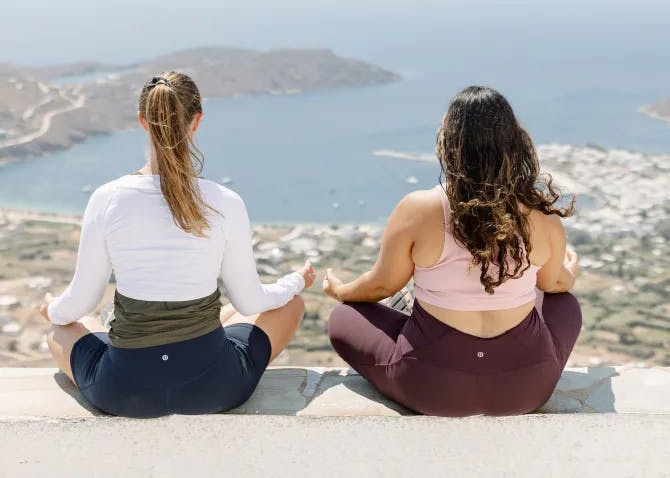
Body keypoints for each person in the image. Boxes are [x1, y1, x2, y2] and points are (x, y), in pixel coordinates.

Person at [41, 72, 315, 418]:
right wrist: (296, 281)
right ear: (197, 121)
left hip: (122, 392)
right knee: (288, 305)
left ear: (142, 121)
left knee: (64, 325)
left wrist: (51, 309)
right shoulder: (224, 201)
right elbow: (252, 301)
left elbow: (82, 300)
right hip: (215, 388)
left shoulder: (107, 199)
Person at [324, 86, 582, 417]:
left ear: (451, 143)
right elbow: (556, 285)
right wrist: (568, 272)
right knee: (565, 303)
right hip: (526, 387)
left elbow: (380, 287)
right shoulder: (541, 216)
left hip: (432, 386)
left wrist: (339, 290)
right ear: (513, 142)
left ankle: (414, 322)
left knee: (345, 315)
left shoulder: (421, 208)